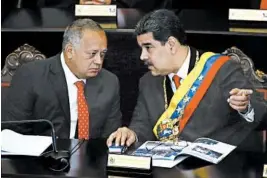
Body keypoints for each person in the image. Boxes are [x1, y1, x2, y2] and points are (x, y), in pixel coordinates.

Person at [107, 9, 267, 148]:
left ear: (171, 44)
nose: (142, 56)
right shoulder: (148, 81)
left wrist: (245, 107)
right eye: (141, 49)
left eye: (148, 48)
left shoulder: (222, 69)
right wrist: (131, 133)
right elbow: (142, 124)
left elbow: (262, 114)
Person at [2, 18, 122, 139]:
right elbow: (11, 133)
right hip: (42, 156)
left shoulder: (109, 82)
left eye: (102, 54)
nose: (99, 61)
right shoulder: (31, 76)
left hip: (92, 156)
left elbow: (111, 136)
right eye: (92, 54)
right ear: (70, 51)